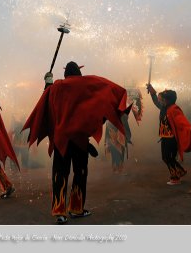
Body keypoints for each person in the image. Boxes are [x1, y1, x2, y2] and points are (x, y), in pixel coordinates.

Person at [23, 61, 131, 224]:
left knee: (60, 175)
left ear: (66, 74)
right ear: (79, 73)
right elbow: (113, 92)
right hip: (80, 140)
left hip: (61, 141)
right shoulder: (88, 83)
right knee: (80, 174)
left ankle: (59, 212)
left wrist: (48, 83)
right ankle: (76, 208)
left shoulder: (57, 87)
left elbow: (47, 101)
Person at [146, 84, 191, 185]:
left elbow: (184, 123)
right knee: (165, 157)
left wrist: (187, 131)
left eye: (162, 99)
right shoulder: (164, 107)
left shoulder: (174, 109)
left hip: (171, 139)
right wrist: (152, 92)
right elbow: (156, 101)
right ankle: (180, 171)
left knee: (168, 158)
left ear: (167, 100)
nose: (160, 101)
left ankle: (175, 178)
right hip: (165, 137)